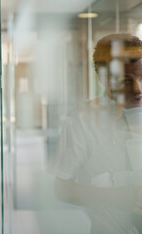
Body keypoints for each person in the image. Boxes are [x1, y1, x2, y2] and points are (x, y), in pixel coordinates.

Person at [48, 33, 142, 233]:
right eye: (126, 81)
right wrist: (113, 196)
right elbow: (61, 188)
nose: (138, 89)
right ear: (103, 78)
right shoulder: (82, 119)